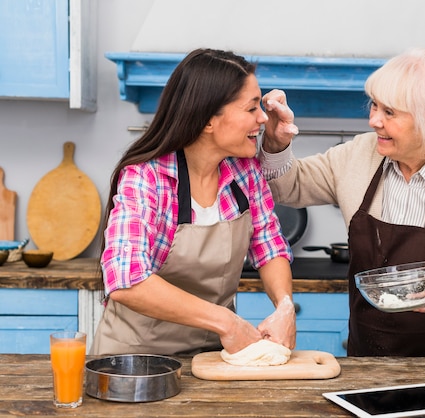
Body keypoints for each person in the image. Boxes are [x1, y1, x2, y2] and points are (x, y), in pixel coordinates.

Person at [259, 47, 425, 357]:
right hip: (370, 360)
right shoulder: (359, 154)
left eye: (389, 112)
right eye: (374, 106)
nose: (374, 120)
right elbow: (285, 187)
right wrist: (276, 143)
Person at [91, 48, 296, 356]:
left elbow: (269, 247)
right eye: (252, 108)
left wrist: (285, 306)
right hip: (135, 359)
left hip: (211, 356)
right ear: (208, 120)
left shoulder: (245, 171)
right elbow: (126, 280)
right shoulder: (147, 177)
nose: (262, 118)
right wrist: (226, 321)